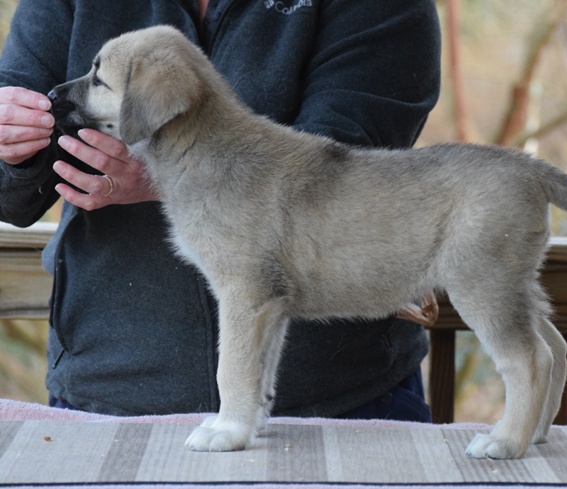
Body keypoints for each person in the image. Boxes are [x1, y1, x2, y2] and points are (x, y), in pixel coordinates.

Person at [0, 0, 441, 420]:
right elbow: (10, 192)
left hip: (341, 392)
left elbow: (341, 167)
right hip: (105, 387)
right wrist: (13, 148)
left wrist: (171, 172)